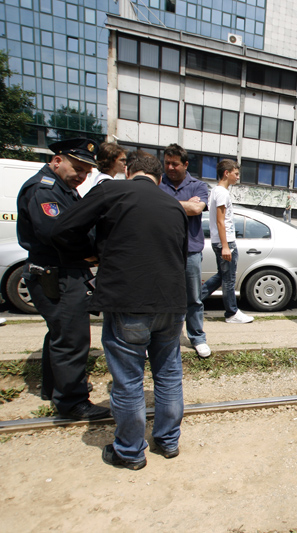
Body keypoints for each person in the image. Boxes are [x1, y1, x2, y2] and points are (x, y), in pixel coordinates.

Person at [51, 152, 188, 471]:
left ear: (130, 172)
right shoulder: (173, 205)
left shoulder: (111, 190)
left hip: (127, 300)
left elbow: (63, 229)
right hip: (171, 303)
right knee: (168, 374)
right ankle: (168, 441)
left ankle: (129, 451)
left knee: (128, 380)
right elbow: (179, 256)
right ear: (158, 177)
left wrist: (92, 254)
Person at [16, 138, 110, 420]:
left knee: (60, 334)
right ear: (57, 161)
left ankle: (55, 388)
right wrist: (92, 254)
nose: (81, 176)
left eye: (85, 171)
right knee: (72, 337)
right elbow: (59, 233)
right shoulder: (43, 190)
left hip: (62, 271)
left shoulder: (63, 189)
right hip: (56, 273)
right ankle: (72, 403)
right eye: (77, 168)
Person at [159, 143, 211, 358]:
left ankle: (197, 337)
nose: (170, 167)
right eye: (167, 163)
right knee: (161, 296)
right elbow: (187, 208)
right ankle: (158, 338)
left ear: (185, 164)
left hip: (190, 251)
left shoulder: (199, 186)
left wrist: (165, 203)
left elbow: (197, 209)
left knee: (193, 298)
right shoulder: (157, 183)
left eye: (175, 164)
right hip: (162, 250)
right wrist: (184, 205)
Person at [200, 159, 253, 324]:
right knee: (229, 279)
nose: (237, 177)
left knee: (222, 276)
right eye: (236, 174)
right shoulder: (222, 192)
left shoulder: (215, 191)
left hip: (220, 241)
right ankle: (232, 313)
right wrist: (225, 246)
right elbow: (221, 221)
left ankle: (192, 301)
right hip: (226, 242)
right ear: (226, 173)